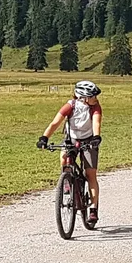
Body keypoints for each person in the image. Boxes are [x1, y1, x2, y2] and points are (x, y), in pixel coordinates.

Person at [39, 80, 103, 226]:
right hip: (71, 139)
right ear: (83, 97)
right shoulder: (71, 105)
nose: (96, 99)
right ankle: (66, 182)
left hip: (89, 140)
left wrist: (96, 137)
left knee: (90, 173)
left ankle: (93, 209)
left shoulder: (95, 107)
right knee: (63, 158)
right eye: (93, 96)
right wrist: (44, 138)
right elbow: (55, 122)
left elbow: (96, 123)